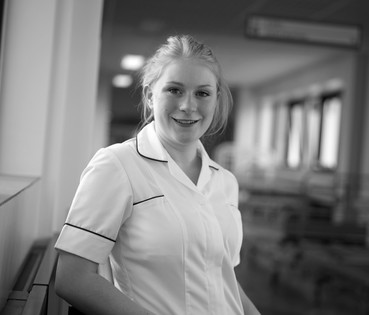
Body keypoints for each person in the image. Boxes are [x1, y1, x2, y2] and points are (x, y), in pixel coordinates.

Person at [55, 34, 260, 315]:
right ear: (151, 95)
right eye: (175, 90)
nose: (188, 106)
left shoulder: (225, 181)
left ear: (216, 99)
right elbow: (73, 279)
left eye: (202, 93)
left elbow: (222, 278)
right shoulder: (117, 165)